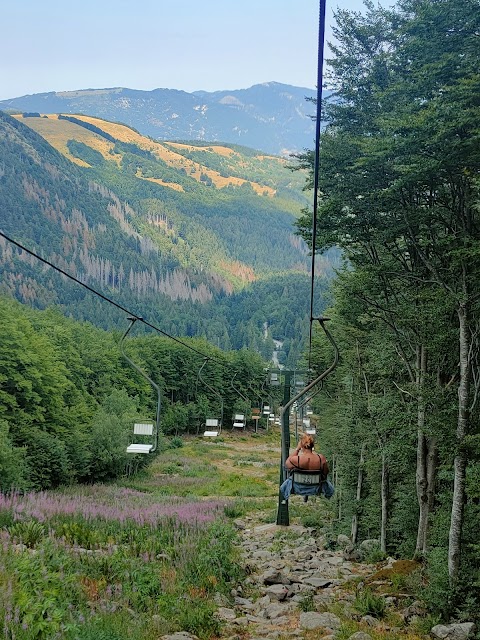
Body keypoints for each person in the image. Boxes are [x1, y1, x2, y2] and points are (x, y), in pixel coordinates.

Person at [280, 433, 333, 502]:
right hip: (316, 488)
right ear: (313, 445)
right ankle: (328, 497)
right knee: (329, 485)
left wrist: (297, 449)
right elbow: (326, 472)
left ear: (301, 445)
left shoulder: (297, 460)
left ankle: (284, 500)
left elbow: (287, 464)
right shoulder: (320, 458)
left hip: (298, 487)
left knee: (283, 486)